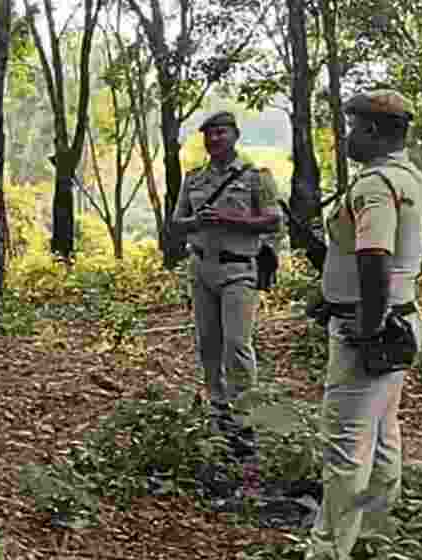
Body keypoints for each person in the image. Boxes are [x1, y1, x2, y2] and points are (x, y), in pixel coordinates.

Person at [306, 89, 422, 559]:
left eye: (352, 127)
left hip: (372, 330)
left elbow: (375, 256)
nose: (347, 137)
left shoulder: (374, 184)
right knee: (383, 431)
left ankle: (328, 551)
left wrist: (367, 320)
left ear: (373, 131)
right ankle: (379, 531)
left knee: (344, 449)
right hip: (403, 320)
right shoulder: (415, 181)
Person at [169, 111, 281, 492]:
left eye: (221, 132)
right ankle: (218, 414)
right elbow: (176, 223)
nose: (215, 138)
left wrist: (234, 219)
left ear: (234, 135)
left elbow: (273, 220)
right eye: (209, 133)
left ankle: (244, 417)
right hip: (202, 270)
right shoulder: (194, 180)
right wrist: (196, 221)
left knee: (238, 344)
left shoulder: (255, 177)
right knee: (209, 345)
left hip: (239, 271)